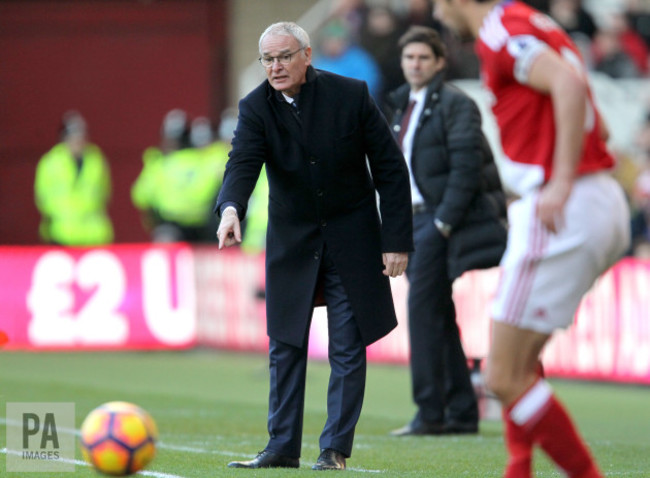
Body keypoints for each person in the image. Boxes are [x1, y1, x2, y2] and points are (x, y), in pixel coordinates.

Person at [432, 1, 631, 477]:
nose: (436, 10)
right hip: (597, 198)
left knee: (502, 374)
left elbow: (563, 83)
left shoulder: (500, 29)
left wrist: (560, 179)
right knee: (522, 363)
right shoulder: (532, 22)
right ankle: (518, 466)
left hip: (563, 203)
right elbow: (594, 118)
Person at [217, 21, 413, 470]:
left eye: (284, 56)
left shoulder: (352, 95)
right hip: (293, 243)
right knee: (284, 345)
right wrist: (231, 208)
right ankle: (281, 447)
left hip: (354, 239)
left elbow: (390, 169)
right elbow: (242, 162)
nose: (275, 66)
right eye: (268, 59)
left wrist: (396, 240)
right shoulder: (254, 107)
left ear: (307, 56)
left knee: (348, 346)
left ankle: (334, 450)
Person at [387, 26, 507, 437]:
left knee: (422, 313)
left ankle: (430, 412)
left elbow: (466, 168)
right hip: (415, 219)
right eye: (409, 58)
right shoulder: (403, 105)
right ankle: (461, 411)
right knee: (437, 313)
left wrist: (443, 223)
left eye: (423, 57)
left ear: (439, 63)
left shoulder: (457, 104)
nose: (415, 64)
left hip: (438, 221)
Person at [35, 110, 114, 246]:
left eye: (81, 136)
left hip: (93, 234)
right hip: (61, 232)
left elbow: (105, 192)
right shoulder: (51, 163)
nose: (77, 141)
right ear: (64, 138)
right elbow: (42, 196)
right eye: (73, 136)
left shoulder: (96, 161)